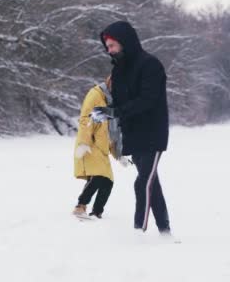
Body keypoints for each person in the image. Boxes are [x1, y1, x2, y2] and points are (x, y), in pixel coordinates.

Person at [90, 20, 171, 234]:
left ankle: (139, 232)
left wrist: (117, 112)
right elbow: (119, 103)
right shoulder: (118, 71)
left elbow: (148, 100)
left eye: (113, 45)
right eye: (107, 47)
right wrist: (106, 111)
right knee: (151, 184)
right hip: (132, 134)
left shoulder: (150, 65)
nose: (110, 50)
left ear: (126, 42)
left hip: (152, 132)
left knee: (143, 183)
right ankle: (165, 231)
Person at [72, 76, 122, 219]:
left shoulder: (112, 101)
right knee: (99, 176)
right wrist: (83, 143)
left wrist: (118, 154)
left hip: (102, 147)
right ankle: (80, 207)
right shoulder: (95, 94)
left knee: (108, 182)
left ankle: (97, 212)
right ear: (110, 82)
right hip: (90, 143)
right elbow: (85, 120)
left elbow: (113, 130)